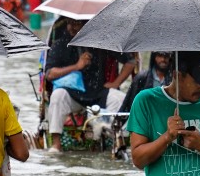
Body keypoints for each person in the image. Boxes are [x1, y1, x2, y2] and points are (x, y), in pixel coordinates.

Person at [44, 17, 137, 151]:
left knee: (120, 99)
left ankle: (116, 140)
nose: (71, 28)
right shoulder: (60, 44)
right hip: (72, 94)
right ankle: (56, 144)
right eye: (69, 23)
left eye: (76, 24)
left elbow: (131, 62)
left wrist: (115, 83)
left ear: (86, 26)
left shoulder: (101, 42)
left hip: (98, 93)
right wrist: (77, 66)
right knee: (57, 95)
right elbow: (49, 74)